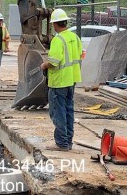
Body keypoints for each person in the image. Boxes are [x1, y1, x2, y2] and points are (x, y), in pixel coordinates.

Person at [41, 9, 83, 151]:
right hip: (72, 80)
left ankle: (61, 143)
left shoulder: (58, 40)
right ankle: (68, 141)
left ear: (54, 24)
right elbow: (79, 55)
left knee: (58, 112)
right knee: (68, 111)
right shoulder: (75, 37)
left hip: (59, 82)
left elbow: (53, 62)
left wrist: (44, 65)